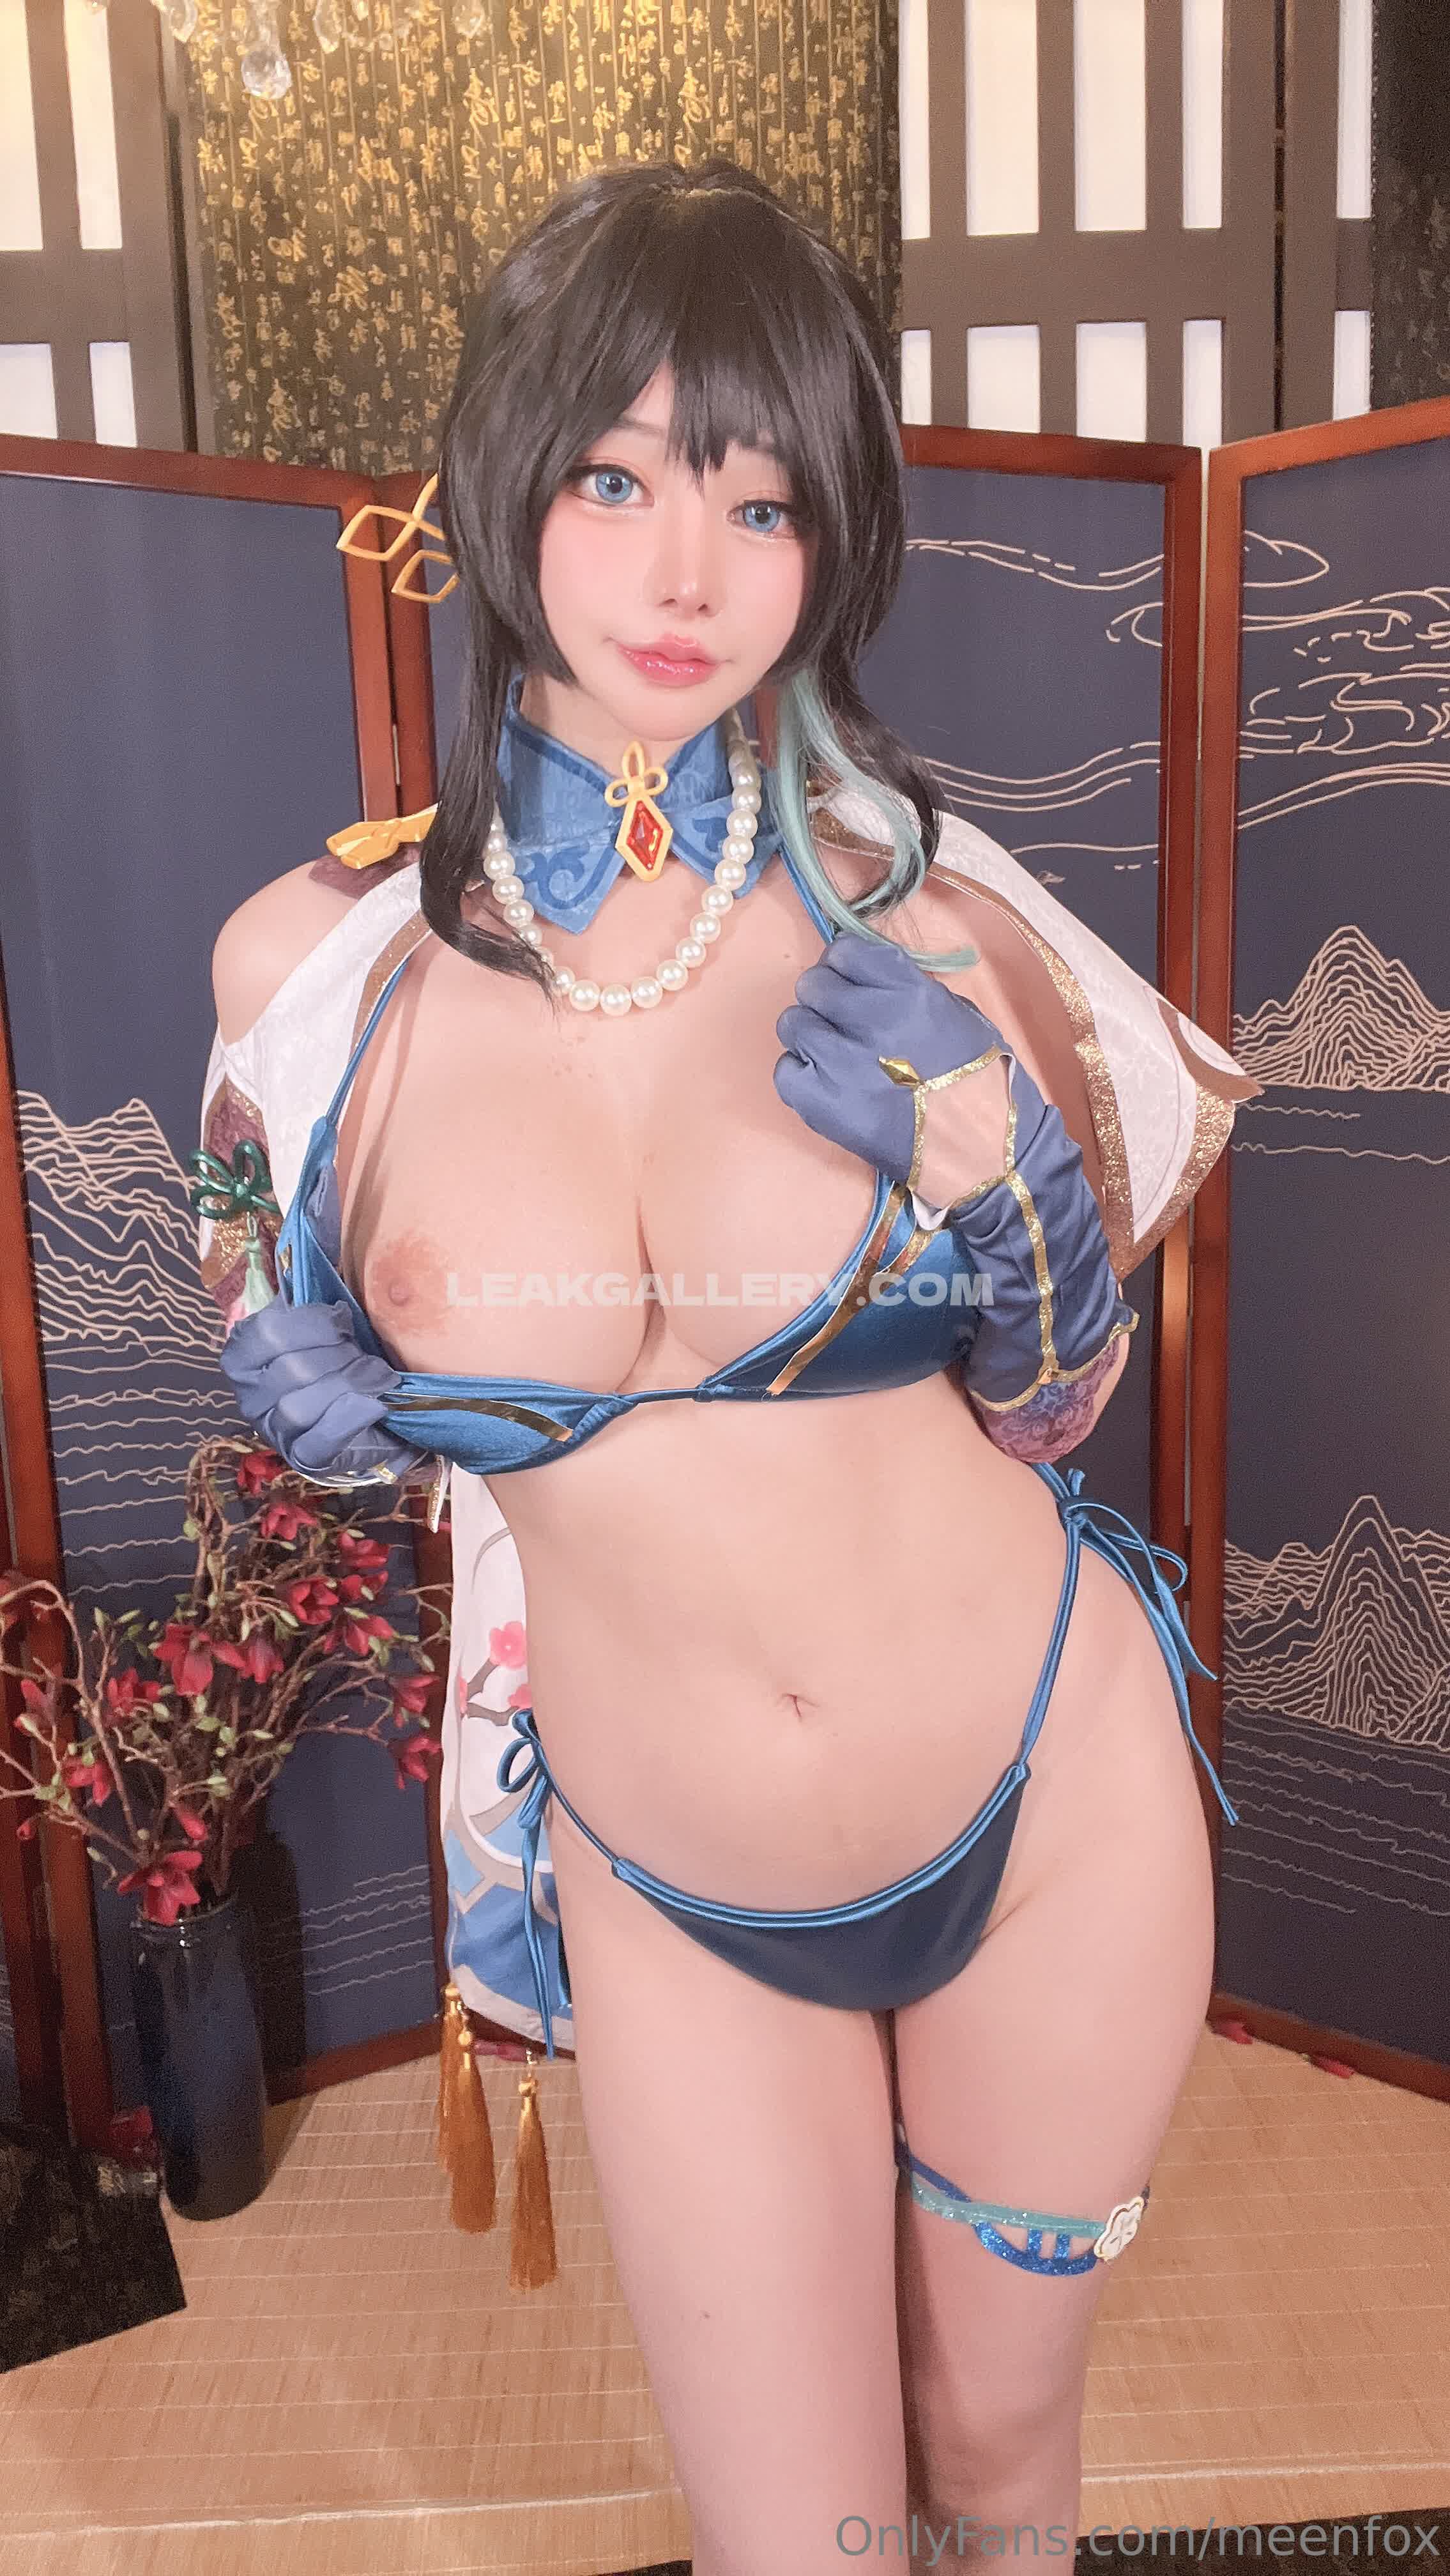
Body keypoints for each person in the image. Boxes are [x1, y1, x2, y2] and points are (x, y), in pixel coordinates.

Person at [199, 159, 1256, 2575]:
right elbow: (273, 1324)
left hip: (1046, 1804)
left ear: (830, 539)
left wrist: (1019, 1198)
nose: (688, 571)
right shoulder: (312, 977)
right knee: (807, 2546)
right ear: (497, 481)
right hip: (672, 1877)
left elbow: (1056, 1410)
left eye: (762, 502)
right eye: (616, 477)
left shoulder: (942, 927)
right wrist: (294, 1385)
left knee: (1002, 2479)